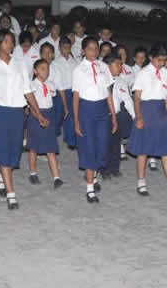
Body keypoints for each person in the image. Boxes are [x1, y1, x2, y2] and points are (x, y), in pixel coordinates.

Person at [0, 29, 46, 210]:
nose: (10, 45)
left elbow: (28, 91)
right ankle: (11, 195)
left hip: (17, 113)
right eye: (6, 42)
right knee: (4, 149)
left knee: (14, 151)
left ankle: (0, 177)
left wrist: (38, 113)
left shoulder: (20, 65)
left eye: (12, 42)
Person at [127, 43, 167, 199]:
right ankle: (141, 182)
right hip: (146, 111)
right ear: (151, 58)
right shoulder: (143, 74)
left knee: (165, 150)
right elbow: (137, 97)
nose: (162, 63)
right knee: (143, 150)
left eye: (164, 60)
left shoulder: (166, 73)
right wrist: (138, 117)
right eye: (159, 60)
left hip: (160, 113)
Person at [72, 36, 118, 203]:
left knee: (103, 146)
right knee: (89, 147)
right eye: (90, 48)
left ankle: (94, 173)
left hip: (102, 110)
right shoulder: (79, 70)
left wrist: (113, 115)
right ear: (83, 51)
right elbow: (76, 97)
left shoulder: (103, 67)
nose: (94, 51)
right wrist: (76, 120)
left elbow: (108, 93)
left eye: (96, 48)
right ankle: (90, 188)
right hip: (86, 110)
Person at [27, 59, 63, 188]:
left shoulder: (51, 85)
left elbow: (52, 101)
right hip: (36, 116)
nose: (45, 71)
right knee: (34, 147)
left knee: (50, 146)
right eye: (42, 69)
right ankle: (32, 173)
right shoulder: (31, 86)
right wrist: (39, 117)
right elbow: (31, 106)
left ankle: (56, 177)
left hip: (49, 114)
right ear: (35, 71)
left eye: (47, 69)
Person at [101, 52, 135, 178]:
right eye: (117, 64)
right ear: (108, 66)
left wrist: (134, 116)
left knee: (116, 143)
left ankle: (114, 168)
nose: (120, 67)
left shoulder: (121, 82)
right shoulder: (101, 80)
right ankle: (104, 169)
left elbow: (127, 100)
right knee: (104, 144)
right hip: (103, 116)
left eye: (121, 64)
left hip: (116, 115)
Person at [51, 37, 78, 148]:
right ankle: (53, 134)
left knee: (71, 116)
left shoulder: (74, 62)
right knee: (59, 114)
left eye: (68, 48)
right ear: (60, 48)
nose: (66, 50)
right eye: (64, 48)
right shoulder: (56, 63)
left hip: (71, 91)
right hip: (60, 92)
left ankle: (70, 139)